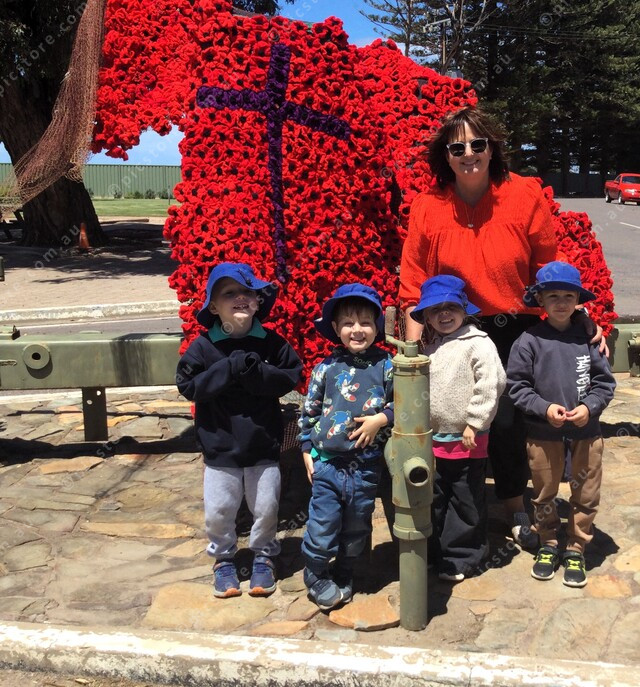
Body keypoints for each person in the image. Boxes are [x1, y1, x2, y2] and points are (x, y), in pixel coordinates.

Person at [399, 105, 602, 548]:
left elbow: (547, 268)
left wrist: (578, 318)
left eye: (477, 144)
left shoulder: (524, 194)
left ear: (492, 149)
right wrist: (414, 357)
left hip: (517, 329)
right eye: (457, 148)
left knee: (508, 421)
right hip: (455, 330)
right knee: (453, 417)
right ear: (446, 156)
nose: (468, 154)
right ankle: (458, 511)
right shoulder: (428, 207)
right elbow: (414, 281)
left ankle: (513, 506)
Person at [176, 262, 302, 598]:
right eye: (229, 293)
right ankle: (223, 558)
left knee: (266, 508)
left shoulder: (270, 343)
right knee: (219, 511)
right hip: (220, 448)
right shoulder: (204, 346)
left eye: (247, 291)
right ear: (213, 307)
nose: (240, 297)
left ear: (258, 301)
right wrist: (228, 368)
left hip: (263, 444)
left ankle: (264, 554)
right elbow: (187, 385)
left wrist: (257, 372)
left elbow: (291, 374)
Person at [507, 261, 615, 587]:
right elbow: (517, 386)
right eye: (553, 295)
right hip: (543, 434)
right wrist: (543, 408)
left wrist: (589, 407)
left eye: (569, 295)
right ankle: (548, 542)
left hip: (587, 433)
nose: (561, 302)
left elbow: (604, 384)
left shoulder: (588, 339)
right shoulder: (528, 341)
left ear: (578, 300)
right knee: (544, 492)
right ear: (540, 300)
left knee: (587, 492)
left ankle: (576, 546)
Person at [298, 283, 394, 610]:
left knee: (357, 525)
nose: (357, 329)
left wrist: (381, 419)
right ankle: (315, 573)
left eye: (365, 322)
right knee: (323, 523)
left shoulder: (388, 366)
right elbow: (310, 411)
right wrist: (306, 448)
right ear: (336, 328)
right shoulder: (326, 368)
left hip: (365, 466)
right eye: (349, 323)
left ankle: (344, 570)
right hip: (327, 463)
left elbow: (406, 403)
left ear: (376, 327)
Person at [411, 275, 506, 581]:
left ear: (464, 310)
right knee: (437, 497)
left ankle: (463, 557)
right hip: (436, 441)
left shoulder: (479, 343)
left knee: (465, 500)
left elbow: (491, 384)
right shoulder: (431, 347)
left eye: (451, 307)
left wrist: (475, 423)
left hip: (467, 439)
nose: (444, 314)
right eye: (435, 310)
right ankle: (437, 553)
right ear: (426, 317)